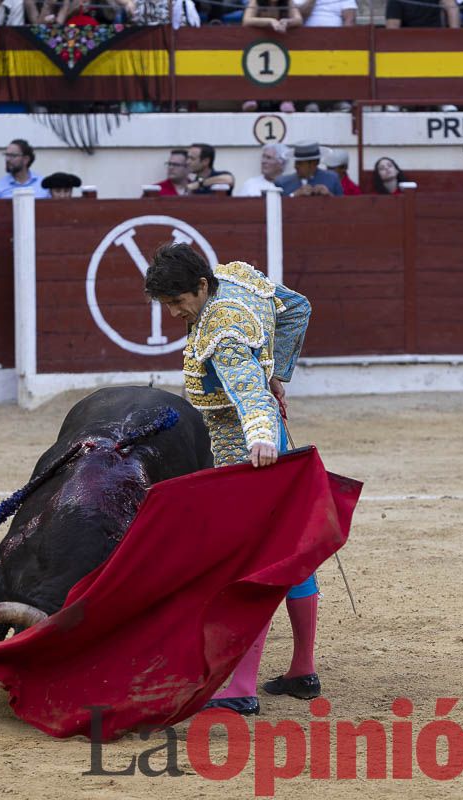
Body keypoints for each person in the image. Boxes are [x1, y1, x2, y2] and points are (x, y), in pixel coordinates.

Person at [143, 242, 317, 717]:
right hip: (269, 436)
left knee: (249, 562)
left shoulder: (223, 330)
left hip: (244, 448)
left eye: (178, 302)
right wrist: (277, 372)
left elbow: (248, 395)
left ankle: (239, 688)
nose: (174, 313)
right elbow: (297, 307)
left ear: (202, 286)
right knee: (291, 551)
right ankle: (303, 669)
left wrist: (260, 437)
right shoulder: (235, 280)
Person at [275, 141, 343, 197]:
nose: (295, 166)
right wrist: (294, 195)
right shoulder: (283, 183)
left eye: (299, 163)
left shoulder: (332, 179)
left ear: (314, 163)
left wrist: (329, 195)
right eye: (295, 162)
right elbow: (277, 206)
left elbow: (342, 205)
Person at [385, 0, 460, 27]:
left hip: (436, 38)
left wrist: (454, 35)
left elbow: (452, 7)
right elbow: (393, 26)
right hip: (408, 42)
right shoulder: (395, 1)